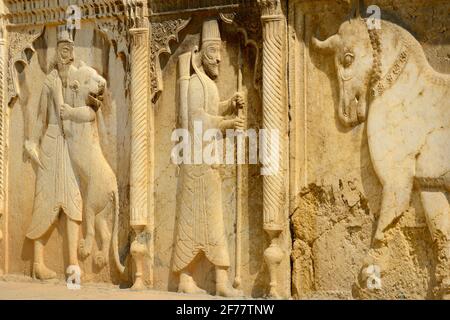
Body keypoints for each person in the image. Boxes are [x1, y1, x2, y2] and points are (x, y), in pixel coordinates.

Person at [172, 19, 245, 297]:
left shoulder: (208, 85)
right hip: (196, 162)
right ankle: (186, 278)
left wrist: (230, 105)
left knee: (214, 220)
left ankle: (219, 281)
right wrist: (226, 124)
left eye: (220, 51)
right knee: (193, 219)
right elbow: (197, 119)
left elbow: (212, 108)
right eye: (213, 51)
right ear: (201, 54)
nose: (219, 57)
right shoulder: (193, 85)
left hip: (208, 161)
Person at [24, 29, 82, 280]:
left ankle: (72, 264)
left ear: (73, 53)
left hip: (70, 145)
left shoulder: (78, 79)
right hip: (50, 142)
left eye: (68, 50)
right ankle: (37, 262)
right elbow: (40, 117)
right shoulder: (50, 81)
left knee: (73, 202)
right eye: (60, 50)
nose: (64, 55)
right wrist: (31, 142)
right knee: (44, 201)